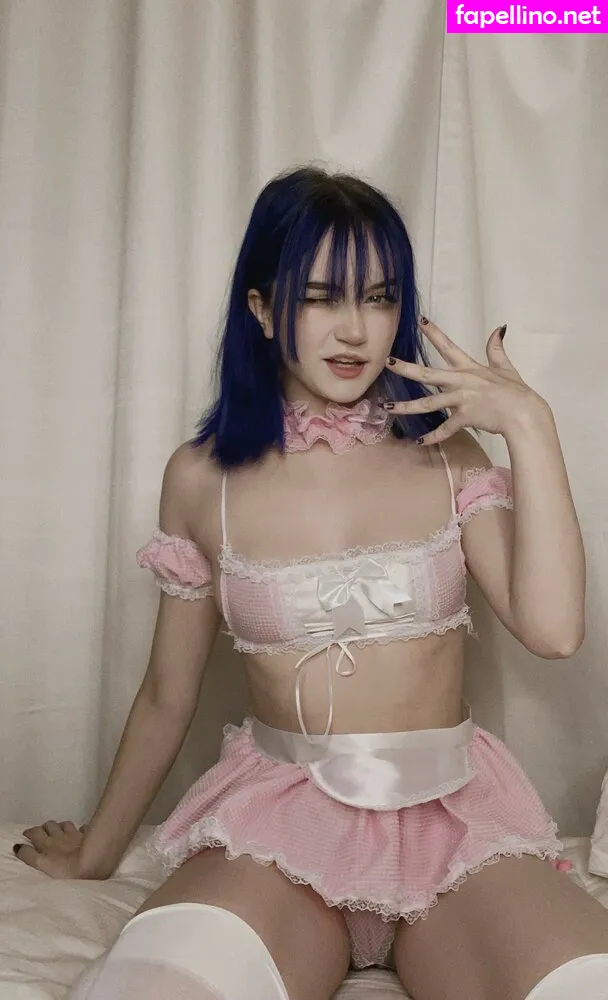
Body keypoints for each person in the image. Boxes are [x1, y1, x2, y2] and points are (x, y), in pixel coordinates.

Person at [13, 166, 608, 1000]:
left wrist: (530, 426)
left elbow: (554, 630)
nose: (355, 329)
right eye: (321, 297)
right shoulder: (202, 479)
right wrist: (97, 852)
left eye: (379, 297)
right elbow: (166, 695)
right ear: (262, 309)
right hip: (279, 830)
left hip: (455, 827)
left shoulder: (448, 454)